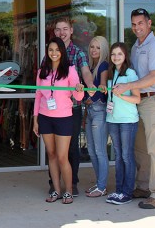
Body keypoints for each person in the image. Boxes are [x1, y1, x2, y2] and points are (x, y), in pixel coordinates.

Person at [113, 8, 155, 209]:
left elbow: (154, 77)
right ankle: (144, 186)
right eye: (134, 24)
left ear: (149, 23)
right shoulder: (137, 47)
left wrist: (127, 87)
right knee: (141, 149)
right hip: (139, 102)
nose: (137, 27)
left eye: (140, 23)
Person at [33, 37, 84, 205]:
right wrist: (35, 119)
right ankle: (56, 190)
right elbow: (38, 95)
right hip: (45, 117)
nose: (54, 53)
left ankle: (68, 191)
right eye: (50, 50)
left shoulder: (70, 70)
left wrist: (79, 89)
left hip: (64, 118)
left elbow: (78, 96)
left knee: (62, 157)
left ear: (62, 51)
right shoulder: (42, 71)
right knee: (52, 155)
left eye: (57, 50)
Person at [51, 16, 94, 196]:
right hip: (52, 109)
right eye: (58, 29)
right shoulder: (50, 52)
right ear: (54, 33)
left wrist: (90, 85)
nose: (62, 33)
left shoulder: (78, 52)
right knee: (53, 149)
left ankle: (72, 183)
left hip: (72, 108)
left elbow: (85, 71)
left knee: (71, 148)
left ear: (71, 31)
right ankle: (54, 184)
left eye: (65, 29)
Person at [104, 42, 140, 205]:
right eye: (113, 54)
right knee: (118, 156)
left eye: (119, 54)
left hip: (127, 121)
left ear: (125, 56)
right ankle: (118, 190)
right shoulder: (111, 73)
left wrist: (121, 96)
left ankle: (127, 191)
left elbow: (137, 98)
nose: (116, 57)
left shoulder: (130, 73)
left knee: (126, 156)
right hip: (113, 119)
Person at [83, 36, 109, 197]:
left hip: (99, 110)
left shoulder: (104, 65)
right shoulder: (92, 66)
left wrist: (90, 98)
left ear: (104, 49)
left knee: (100, 151)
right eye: (92, 47)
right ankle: (99, 183)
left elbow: (102, 87)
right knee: (92, 151)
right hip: (90, 111)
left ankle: (102, 186)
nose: (94, 50)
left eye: (98, 47)